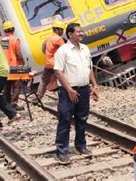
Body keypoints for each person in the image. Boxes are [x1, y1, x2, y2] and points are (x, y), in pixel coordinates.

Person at [53, 22, 99, 164]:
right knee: (65, 118)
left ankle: (80, 145)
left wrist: (95, 85)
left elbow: (89, 69)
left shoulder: (85, 49)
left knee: (82, 118)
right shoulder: (63, 51)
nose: (81, 33)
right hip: (68, 91)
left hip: (84, 89)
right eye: (78, 32)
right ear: (70, 34)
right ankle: (61, 151)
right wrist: (69, 90)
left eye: (81, 31)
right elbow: (58, 72)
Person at [0, 21, 24, 111]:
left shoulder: (2, 40)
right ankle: (13, 103)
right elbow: (18, 53)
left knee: (7, 86)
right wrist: (22, 61)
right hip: (14, 66)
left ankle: (6, 104)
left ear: (4, 30)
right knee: (17, 85)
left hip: (4, 66)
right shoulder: (15, 39)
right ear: (13, 29)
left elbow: (3, 52)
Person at [36, 21, 65, 99]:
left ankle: (38, 96)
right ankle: (68, 94)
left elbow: (43, 48)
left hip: (48, 63)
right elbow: (65, 51)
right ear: (57, 29)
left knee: (43, 80)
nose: (62, 32)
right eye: (62, 30)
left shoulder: (48, 38)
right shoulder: (59, 39)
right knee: (64, 79)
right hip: (56, 64)